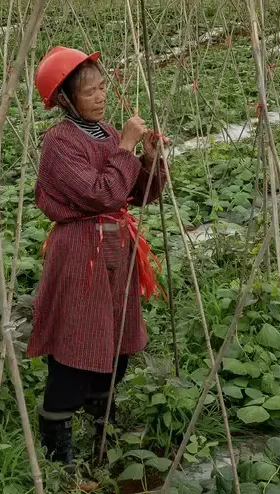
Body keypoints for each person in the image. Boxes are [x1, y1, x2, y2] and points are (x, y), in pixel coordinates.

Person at [28, 46, 167, 480]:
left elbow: (138, 195)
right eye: (89, 92)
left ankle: (100, 420)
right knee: (76, 345)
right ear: (66, 99)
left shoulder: (106, 132)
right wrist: (126, 148)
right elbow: (100, 194)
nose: (100, 96)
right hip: (79, 256)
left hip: (116, 252)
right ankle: (56, 438)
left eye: (103, 86)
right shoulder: (58, 143)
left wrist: (147, 159)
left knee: (117, 344)